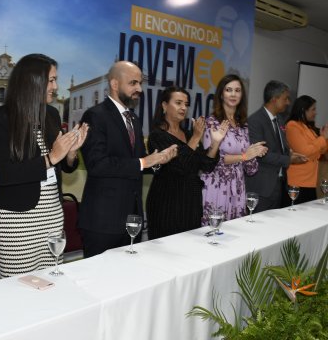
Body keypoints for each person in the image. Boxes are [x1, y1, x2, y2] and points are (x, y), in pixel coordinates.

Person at [0, 54, 88, 277]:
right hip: (18, 221)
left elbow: (67, 166)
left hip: (52, 215)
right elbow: (5, 174)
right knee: (20, 289)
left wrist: (71, 152)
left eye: (55, 80)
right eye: (51, 80)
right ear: (33, 81)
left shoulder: (51, 114)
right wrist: (51, 158)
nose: (55, 86)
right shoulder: (0, 118)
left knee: (53, 280)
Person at [79, 61, 177, 258]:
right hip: (103, 223)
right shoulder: (95, 115)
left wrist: (158, 161)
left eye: (140, 83)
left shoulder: (134, 119)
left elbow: (137, 162)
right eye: (133, 83)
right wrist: (145, 162)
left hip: (132, 220)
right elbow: (97, 165)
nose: (139, 89)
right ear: (115, 84)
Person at [145, 86, 228, 239]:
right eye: (178, 103)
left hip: (191, 201)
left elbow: (207, 165)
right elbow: (180, 166)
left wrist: (216, 142)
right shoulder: (157, 136)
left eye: (186, 104)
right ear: (164, 106)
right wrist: (196, 138)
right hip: (167, 202)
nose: (184, 107)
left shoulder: (189, 133)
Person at [201, 75, 267, 224]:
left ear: (242, 95)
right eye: (228, 90)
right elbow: (212, 160)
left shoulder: (243, 125)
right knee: (212, 234)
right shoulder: (212, 122)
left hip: (237, 187)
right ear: (221, 94)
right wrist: (244, 156)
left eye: (237, 90)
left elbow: (251, 170)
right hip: (216, 185)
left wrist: (254, 153)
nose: (233, 94)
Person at [245, 80, 307, 212]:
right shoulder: (255, 121)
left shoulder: (279, 120)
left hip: (277, 185)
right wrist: (289, 160)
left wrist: (290, 154)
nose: (288, 102)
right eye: (286, 99)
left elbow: (280, 147)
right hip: (261, 188)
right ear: (274, 99)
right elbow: (260, 154)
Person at [285, 95, 328, 204]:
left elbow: (320, 151)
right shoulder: (292, 126)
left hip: (311, 181)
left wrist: (324, 138)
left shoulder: (309, 128)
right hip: (298, 182)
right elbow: (305, 152)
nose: (316, 112)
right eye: (313, 109)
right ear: (303, 110)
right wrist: (323, 138)